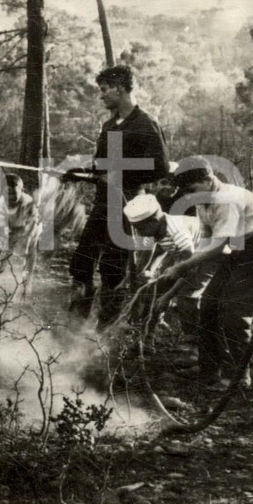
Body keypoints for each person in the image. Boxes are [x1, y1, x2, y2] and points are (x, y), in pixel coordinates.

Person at [160, 156, 253, 391]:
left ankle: (238, 376)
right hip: (239, 248)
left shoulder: (225, 199)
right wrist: (188, 266)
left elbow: (218, 246)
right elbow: (207, 242)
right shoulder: (202, 200)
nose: (188, 196)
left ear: (208, 180)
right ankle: (209, 369)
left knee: (234, 312)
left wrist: (181, 267)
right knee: (209, 303)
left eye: (191, 190)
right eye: (185, 192)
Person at [62, 64, 169, 327]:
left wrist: (121, 174)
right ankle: (74, 330)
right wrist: (78, 173)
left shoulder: (145, 123)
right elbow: (102, 166)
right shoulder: (110, 125)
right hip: (103, 204)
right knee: (81, 263)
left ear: (120, 88)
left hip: (128, 206)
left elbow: (160, 167)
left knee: (113, 270)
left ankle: (103, 336)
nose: (101, 96)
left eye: (105, 90)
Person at [123, 192, 212, 347]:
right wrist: (140, 274)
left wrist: (169, 295)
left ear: (154, 221)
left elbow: (190, 269)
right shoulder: (158, 228)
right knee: (155, 290)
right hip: (184, 257)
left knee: (187, 298)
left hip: (207, 256)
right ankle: (146, 339)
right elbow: (155, 251)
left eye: (139, 228)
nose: (138, 233)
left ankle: (194, 346)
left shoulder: (177, 233)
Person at [0, 173, 43, 286]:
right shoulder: (0, 205)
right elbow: (1, 227)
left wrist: (21, 235)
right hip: (10, 228)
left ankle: (27, 282)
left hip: (30, 227)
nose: (10, 197)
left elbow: (31, 225)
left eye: (14, 193)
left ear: (22, 190)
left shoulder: (28, 202)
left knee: (29, 251)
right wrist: (8, 238)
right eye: (7, 193)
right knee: (3, 251)